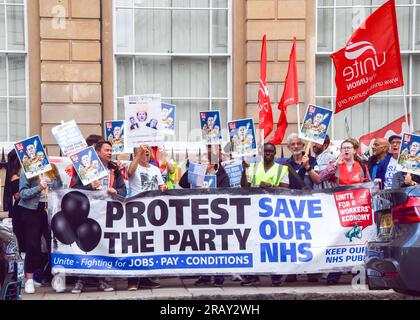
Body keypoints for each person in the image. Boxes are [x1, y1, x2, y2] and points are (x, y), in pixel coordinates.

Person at [71, 141, 127, 294]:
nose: (110, 153)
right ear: (98, 152)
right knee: (84, 245)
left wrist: (114, 190)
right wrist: (90, 186)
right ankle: (80, 280)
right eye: (107, 150)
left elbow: (123, 191)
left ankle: (101, 280)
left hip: (107, 214)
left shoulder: (115, 171)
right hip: (88, 213)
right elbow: (74, 189)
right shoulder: (87, 169)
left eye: (111, 150)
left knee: (102, 245)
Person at [317, 138, 370, 285]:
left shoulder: (362, 167)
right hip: (339, 209)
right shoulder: (335, 166)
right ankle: (334, 275)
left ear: (354, 150)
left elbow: (369, 184)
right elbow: (320, 178)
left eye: (349, 147)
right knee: (339, 241)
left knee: (358, 241)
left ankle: (359, 276)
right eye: (343, 148)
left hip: (358, 210)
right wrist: (334, 164)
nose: (346, 150)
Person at [179, 147, 231, 287]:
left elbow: (226, 191)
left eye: (205, 161)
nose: (203, 163)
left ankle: (219, 276)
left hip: (216, 215)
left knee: (217, 246)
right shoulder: (197, 173)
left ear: (213, 163)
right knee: (202, 245)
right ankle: (205, 275)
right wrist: (193, 168)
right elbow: (182, 183)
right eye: (201, 161)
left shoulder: (222, 176)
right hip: (199, 215)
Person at [240, 142, 289, 287]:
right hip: (254, 211)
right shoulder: (253, 167)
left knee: (274, 243)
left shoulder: (282, 169)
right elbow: (244, 186)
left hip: (274, 211)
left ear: (275, 153)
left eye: (271, 151)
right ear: (262, 153)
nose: (268, 153)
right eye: (266, 151)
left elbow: (286, 189)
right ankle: (252, 276)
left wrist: (271, 187)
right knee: (253, 242)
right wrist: (244, 171)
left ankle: (275, 275)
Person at [127, 144, 167, 290]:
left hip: (151, 210)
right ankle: (132, 280)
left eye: (148, 152)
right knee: (134, 244)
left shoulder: (155, 169)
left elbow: (161, 185)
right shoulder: (133, 166)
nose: (146, 154)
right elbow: (130, 174)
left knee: (147, 245)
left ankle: (144, 278)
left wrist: (163, 188)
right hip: (136, 210)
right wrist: (138, 155)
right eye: (144, 152)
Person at [19, 165, 62, 294]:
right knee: (33, 245)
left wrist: (56, 178)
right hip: (32, 210)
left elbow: (59, 188)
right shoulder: (26, 170)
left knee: (54, 243)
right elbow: (22, 193)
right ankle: (29, 279)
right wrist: (39, 187)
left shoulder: (52, 168)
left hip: (50, 210)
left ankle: (57, 277)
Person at [283, 133, 321, 283]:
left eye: (298, 143)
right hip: (292, 206)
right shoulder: (285, 164)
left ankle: (311, 272)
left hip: (309, 205)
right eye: (292, 144)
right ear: (288, 147)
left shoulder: (312, 160)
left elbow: (318, 180)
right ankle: (292, 271)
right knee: (292, 239)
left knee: (310, 239)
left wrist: (308, 167)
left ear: (304, 146)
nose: (295, 146)